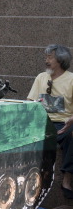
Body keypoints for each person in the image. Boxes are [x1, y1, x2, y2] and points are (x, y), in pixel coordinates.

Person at [27, 44, 73, 198]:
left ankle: (67, 179)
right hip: (42, 122)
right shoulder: (41, 77)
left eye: (49, 57)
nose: (46, 60)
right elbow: (31, 101)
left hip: (64, 125)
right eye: (45, 56)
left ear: (60, 60)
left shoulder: (71, 79)